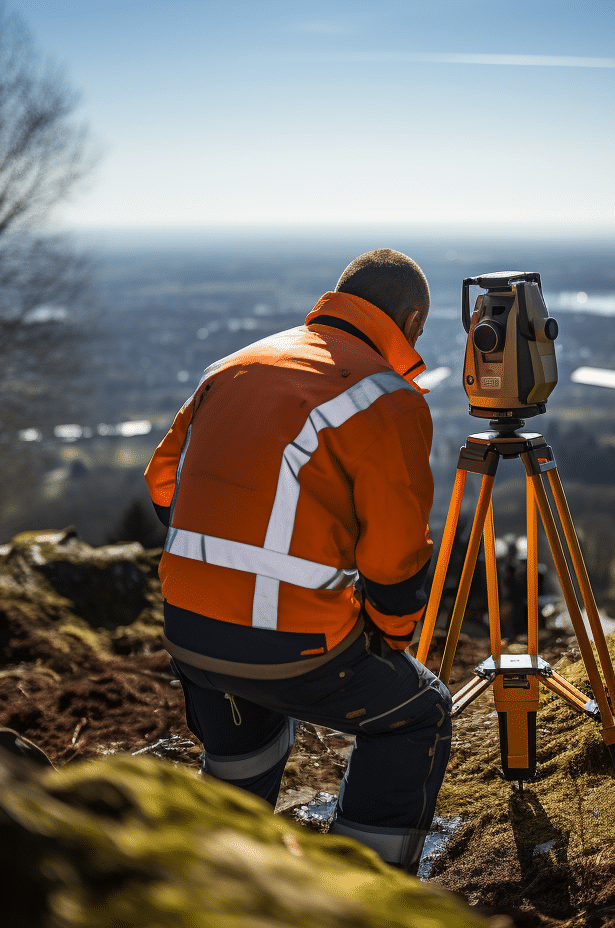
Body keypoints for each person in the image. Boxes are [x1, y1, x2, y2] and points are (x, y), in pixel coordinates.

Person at [145, 249, 451, 873]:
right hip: (295, 649)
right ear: (411, 320)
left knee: (248, 735)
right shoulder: (388, 399)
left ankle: (220, 870)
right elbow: (394, 560)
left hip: (188, 634)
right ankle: (364, 887)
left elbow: (161, 483)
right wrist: (390, 636)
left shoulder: (232, 367)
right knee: (420, 714)